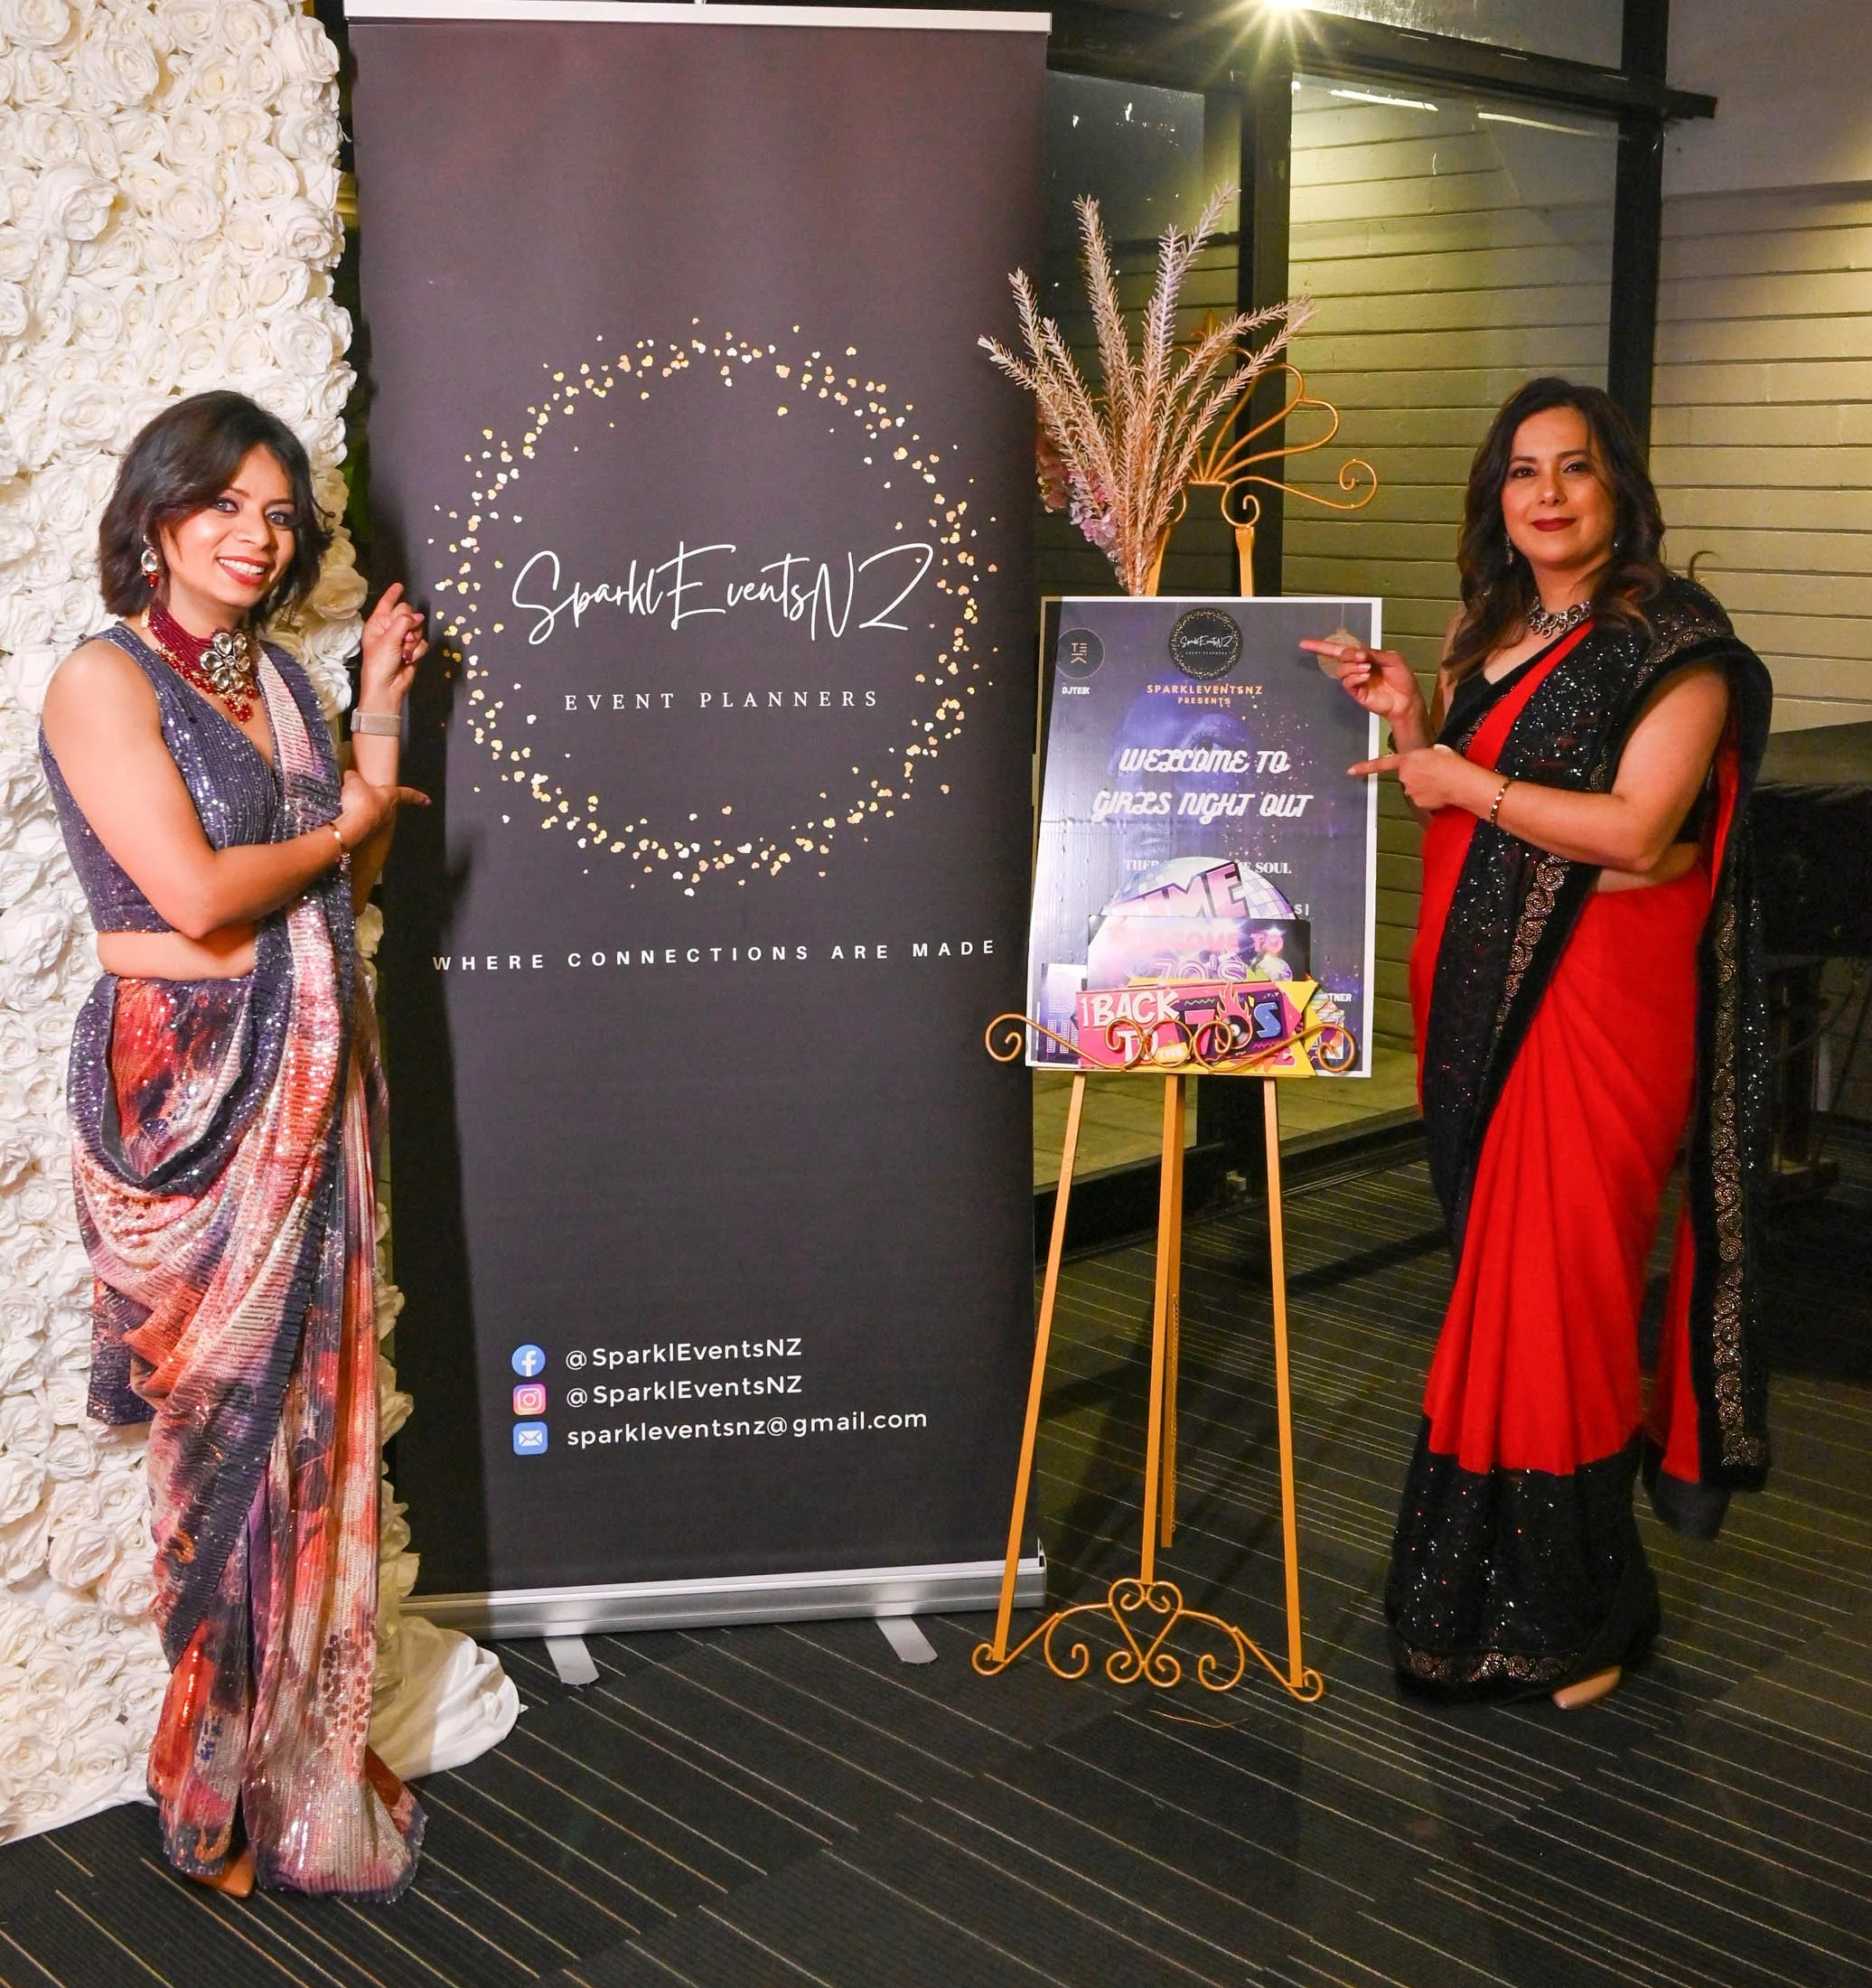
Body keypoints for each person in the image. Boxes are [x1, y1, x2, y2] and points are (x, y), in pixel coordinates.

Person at [1304, 377, 1772, 1709]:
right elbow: (1469, 811)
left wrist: (1464, 778)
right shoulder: (1486, 626)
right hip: (1475, 994)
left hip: (1595, 1012)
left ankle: (1588, 1613)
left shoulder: (1675, 640)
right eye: (1523, 471)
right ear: (1496, 499)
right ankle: (1488, 1605)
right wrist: (1412, 726)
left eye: (1574, 468)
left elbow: (1636, 832)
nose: (1548, 494)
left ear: (1618, 484)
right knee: (1498, 1300)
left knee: (1562, 1301)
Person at [41, 392, 430, 1895]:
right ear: (156, 516)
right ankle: (194, 1780)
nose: (258, 537)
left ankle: (286, 1758)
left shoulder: (277, 683)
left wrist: (376, 700)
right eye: (229, 506)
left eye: (280, 516)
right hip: (189, 1109)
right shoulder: (103, 679)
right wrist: (347, 819)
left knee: (309, 1432)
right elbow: (199, 897)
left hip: (308, 1090)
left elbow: (363, 838)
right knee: (217, 1450)